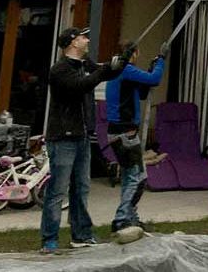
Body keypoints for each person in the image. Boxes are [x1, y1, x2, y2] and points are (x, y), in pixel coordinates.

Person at [40, 26, 126, 254]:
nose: (87, 40)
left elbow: (104, 73)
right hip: (62, 137)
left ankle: (82, 235)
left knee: (81, 188)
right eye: (83, 37)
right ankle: (49, 240)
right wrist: (101, 71)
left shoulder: (85, 64)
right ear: (72, 42)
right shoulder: (59, 70)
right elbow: (81, 86)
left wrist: (121, 62)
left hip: (82, 136)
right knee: (57, 191)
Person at [104, 40, 168, 237]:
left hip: (118, 132)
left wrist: (150, 68)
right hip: (126, 133)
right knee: (138, 179)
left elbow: (141, 92)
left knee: (128, 178)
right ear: (134, 53)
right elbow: (155, 79)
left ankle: (129, 219)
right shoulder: (126, 69)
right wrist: (162, 60)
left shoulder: (118, 71)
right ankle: (122, 219)